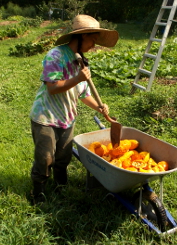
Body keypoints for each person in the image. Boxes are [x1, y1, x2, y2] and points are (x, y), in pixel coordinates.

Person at [29, 14, 119, 203]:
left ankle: (61, 188)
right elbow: (52, 88)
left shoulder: (82, 62)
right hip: (46, 117)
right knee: (45, 159)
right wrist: (77, 78)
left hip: (67, 119)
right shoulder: (56, 56)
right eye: (93, 39)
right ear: (82, 36)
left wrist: (99, 108)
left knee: (63, 158)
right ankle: (38, 195)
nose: (94, 45)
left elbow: (84, 94)